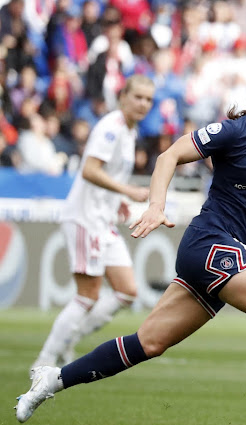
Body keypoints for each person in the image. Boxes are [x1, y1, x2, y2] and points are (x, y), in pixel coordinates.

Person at [16, 57, 246, 425]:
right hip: (210, 243)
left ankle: (52, 379)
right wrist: (155, 205)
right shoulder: (233, 131)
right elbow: (168, 156)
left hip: (222, 252)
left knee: (148, 343)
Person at [30, 75, 155, 371]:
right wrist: (127, 191)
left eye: (148, 99)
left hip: (103, 219)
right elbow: (88, 170)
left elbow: (108, 174)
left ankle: (68, 341)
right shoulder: (110, 128)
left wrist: (118, 199)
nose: (143, 104)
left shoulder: (129, 131)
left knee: (126, 291)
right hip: (85, 218)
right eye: (137, 97)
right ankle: (43, 362)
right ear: (122, 96)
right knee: (88, 295)